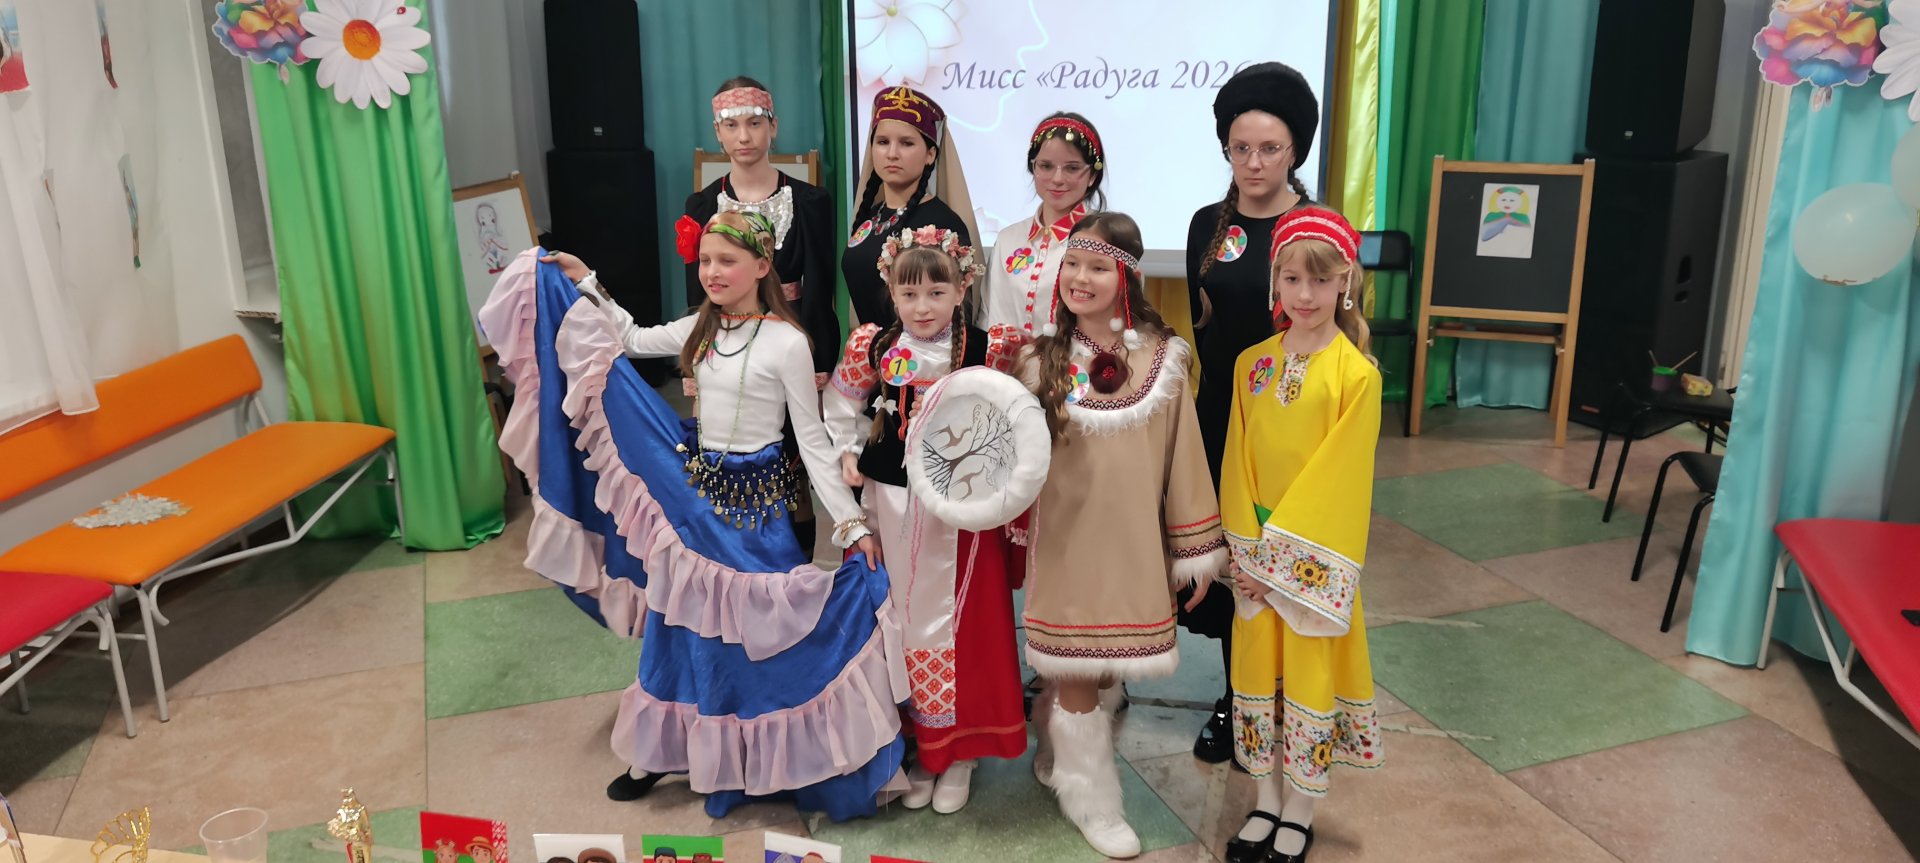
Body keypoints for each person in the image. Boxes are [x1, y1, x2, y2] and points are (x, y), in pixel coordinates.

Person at [502, 211, 903, 823]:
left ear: (762, 267)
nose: (712, 272)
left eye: (727, 262)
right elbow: (631, 339)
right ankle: (655, 751)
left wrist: (849, 523)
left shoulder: (787, 343)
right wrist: (586, 282)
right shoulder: (702, 326)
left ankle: (769, 754)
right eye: (706, 261)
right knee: (680, 621)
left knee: (764, 632)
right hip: (696, 496)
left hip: (756, 513)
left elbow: (812, 439)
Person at [1017, 212, 1225, 858]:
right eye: (1073, 264)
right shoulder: (1039, 361)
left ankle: (1055, 745)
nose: (1080, 278)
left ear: (1127, 277)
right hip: (1066, 544)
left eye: (1098, 267)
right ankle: (1093, 802)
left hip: (1133, 543)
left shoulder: (1164, 361)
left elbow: (1185, 461)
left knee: (1107, 671)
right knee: (1077, 666)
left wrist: (1194, 552)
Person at [824, 225, 1027, 815]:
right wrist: (847, 449)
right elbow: (841, 403)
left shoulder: (990, 347)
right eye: (908, 293)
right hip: (891, 503)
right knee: (898, 619)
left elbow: (1019, 413)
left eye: (937, 292)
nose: (922, 307)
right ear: (889, 291)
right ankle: (917, 744)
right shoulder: (873, 344)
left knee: (968, 623)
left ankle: (961, 752)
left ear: (962, 289)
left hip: (966, 512)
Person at [1219, 207, 1384, 863]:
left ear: (1345, 282)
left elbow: (1340, 478)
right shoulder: (1251, 364)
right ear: (1276, 282)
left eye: (1320, 280)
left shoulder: (1357, 375)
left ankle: (1300, 808)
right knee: (1255, 673)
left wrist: (1280, 566)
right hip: (1253, 553)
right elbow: (1236, 458)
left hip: (1309, 557)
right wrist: (1245, 552)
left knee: (1309, 674)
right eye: (1292, 279)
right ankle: (1264, 798)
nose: (1305, 295)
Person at [1181, 61, 1323, 768]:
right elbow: (1202, 322)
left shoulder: (1315, 228)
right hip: (1219, 416)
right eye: (1241, 148)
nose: (1255, 162)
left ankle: (1284, 700)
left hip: (1289, 423)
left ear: (1295, 149)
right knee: (1230, 564)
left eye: (1270, 148)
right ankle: (1239, 699)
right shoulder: (1208, 226)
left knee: (1277, 562)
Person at [684, 76, 840, 377]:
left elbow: (819, 290)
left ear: (773, 126)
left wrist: (817, 361)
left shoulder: (809, 201)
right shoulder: (702, 205)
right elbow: (696, 294)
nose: (744, 136)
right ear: (718, 132)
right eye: (731, 125)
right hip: (725, 342)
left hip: (790, 337)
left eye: (754, 123)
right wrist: (698, 360)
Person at [842, 86, 980, 327]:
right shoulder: (870, 217)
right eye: (883, 142)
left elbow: (956, 321)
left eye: (906, 143)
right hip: (867, 347)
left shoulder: (943, 226)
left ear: (930, 155)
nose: (892, 153)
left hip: (916, 351)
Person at [982, 112, 1107, 337]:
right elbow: (987, 316)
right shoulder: (1008, 239)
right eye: (1046, 166)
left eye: (1072, 168)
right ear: (1033, 169)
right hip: (1003, 360)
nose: (1057, 179)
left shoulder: (1105, 240)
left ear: (1092, 175)